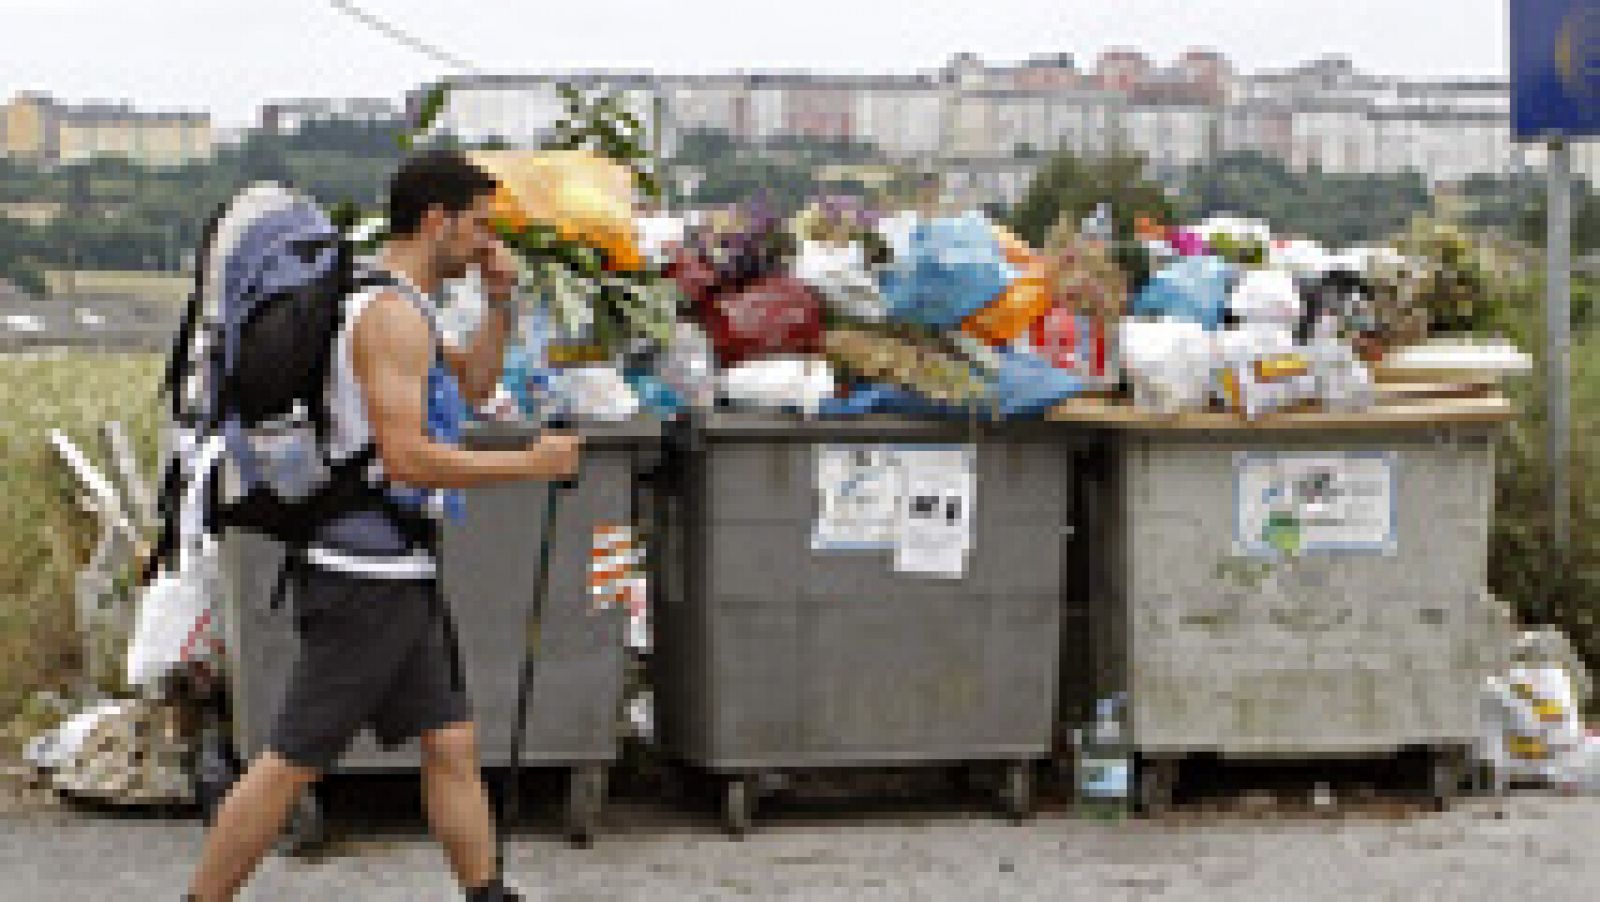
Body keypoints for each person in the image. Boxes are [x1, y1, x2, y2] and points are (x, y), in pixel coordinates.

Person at [185, 150, 579, 902]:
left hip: (398, 566)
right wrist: (532, 465)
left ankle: (487, 893)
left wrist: (500, 304)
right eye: (479, 228)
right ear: (437, 221)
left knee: (451, 743)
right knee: (292, 760)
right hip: (364, 575)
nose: (487, 243)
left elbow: (474, 383)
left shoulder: (404, 303)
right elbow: (405, 458)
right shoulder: (389, 315)